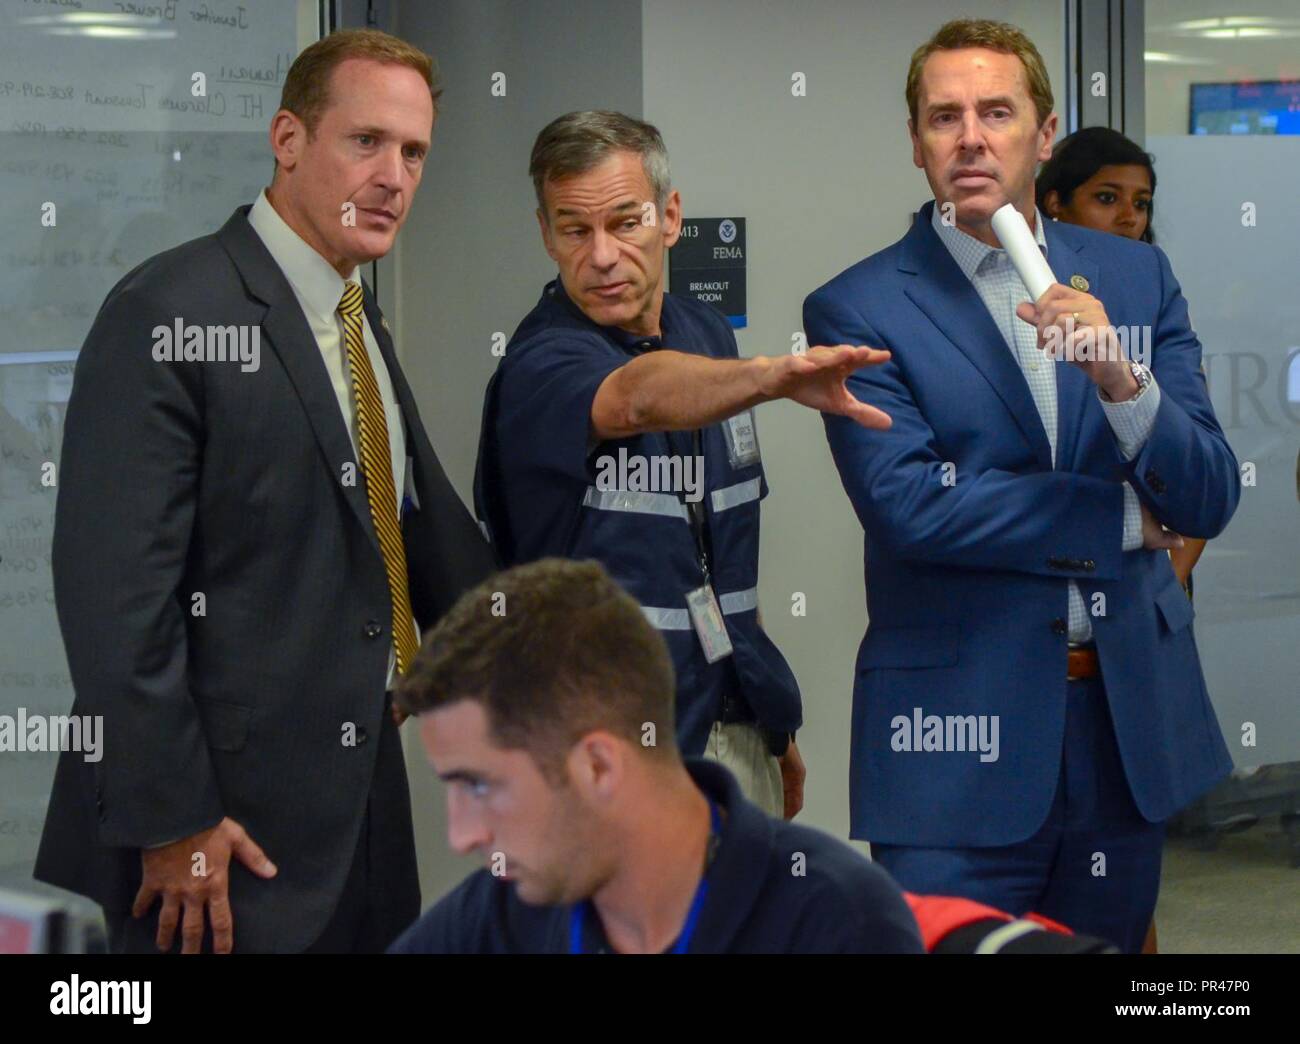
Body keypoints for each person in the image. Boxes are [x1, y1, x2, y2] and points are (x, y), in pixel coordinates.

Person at [34, 29, 495, 953]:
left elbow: (411, 538)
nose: (394, 176)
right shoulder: (169, 311)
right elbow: (117, 600)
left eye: (413, 153)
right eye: (365, 142)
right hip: (211, 848)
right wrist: (172, 822)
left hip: (360, 820)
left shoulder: (356, 323)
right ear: (288, 140)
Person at [804, 18, 1240, 953]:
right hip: (952, 742)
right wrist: (1126, 518)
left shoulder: (1134, 276)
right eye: (944, 117)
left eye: (996, 112)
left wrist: (1122, 380)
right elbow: (913, 507)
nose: (970, 137)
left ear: (1042, 136)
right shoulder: (859, 305)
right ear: (917, 144)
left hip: (1124, 727)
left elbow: (1205, 495)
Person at [474, 111, 892, 819]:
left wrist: (766, 719)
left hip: (727, 726)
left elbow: (715, 555)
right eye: (575, 229)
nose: (603, 255)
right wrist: (773, 377)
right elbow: (635, 401)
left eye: (625, 222)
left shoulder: (702, 332)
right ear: (546, 234)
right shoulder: (540, 362)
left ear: (669, 217)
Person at [387, 557, 924, 954]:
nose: (461, 836)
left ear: (598, 766)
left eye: (479, 787)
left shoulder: (837, 924)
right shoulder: (498, 919)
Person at [1037, 126, 1207, 599]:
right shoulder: (1027, 299)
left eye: (1141, 202)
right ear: (1054, 202)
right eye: (1107, 198)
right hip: (1035, 571)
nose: (1129, 216)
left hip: (1145, 583)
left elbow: (1194, 453)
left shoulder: (1152, 290)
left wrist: (1166, 587)